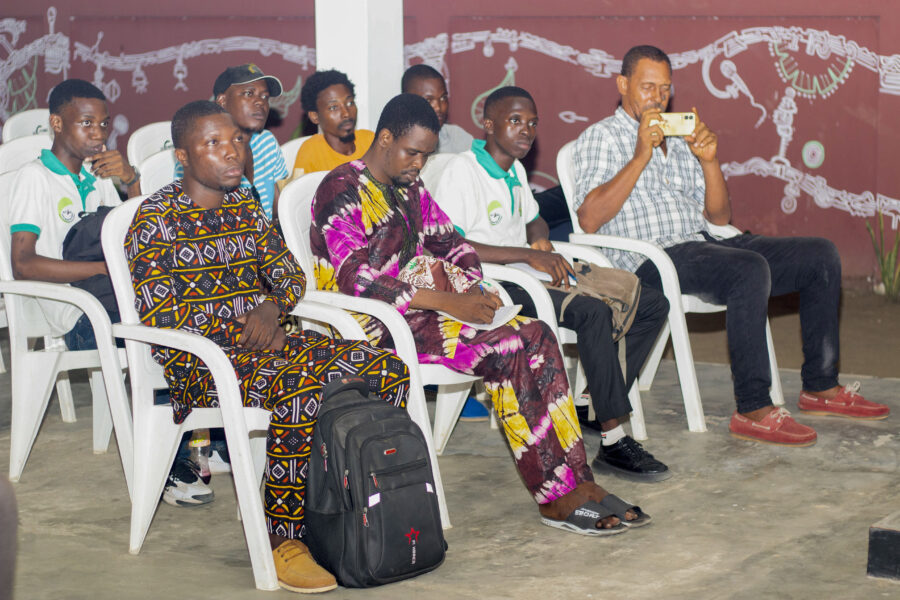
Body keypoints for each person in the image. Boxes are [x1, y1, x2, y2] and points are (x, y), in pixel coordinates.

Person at [311, 93, 652, 536]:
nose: (419, 164)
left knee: (538, 334)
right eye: (412, 153)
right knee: (508, 347)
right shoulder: (341, 189)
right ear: (385, 138)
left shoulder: (409, 186)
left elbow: (452, 243)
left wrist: (475, 288)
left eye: (426, 155)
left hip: (425, 313)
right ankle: (552, 495)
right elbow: (356, 279)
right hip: (374, 324)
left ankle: (578, 481)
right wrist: (451, 302)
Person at [125, 100, 411, 593]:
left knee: (386, 367)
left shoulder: (244, 208)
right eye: (213, 143)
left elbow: (289, 275)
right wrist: (247, 328)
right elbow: (163, 318)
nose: (232, 152)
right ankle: (285, 536)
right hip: (200, 365)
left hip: (270, 342)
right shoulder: (155, 221)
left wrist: (272, 310)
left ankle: (357, 502)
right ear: (182, 156)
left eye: (236, 140)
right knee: (301, 386)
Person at [572, 45, 889, 447]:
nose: (657, 98)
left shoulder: (677, 135)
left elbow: (719, 218)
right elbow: (588, 218)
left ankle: (820, 386)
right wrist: (640, 156)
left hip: (705, 242)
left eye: (665, 89)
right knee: (748, 268)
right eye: (647, 87)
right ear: (622, 85)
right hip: (652, 259)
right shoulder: (601, 137)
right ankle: (754, 408)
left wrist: (708, 160)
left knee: (819, 256)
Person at [433, 86, 671, 482]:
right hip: (490, 285)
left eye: (532, 123)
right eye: (515, 121)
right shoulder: (464, 170)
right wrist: (528, 255)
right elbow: (453, 246)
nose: (526, 130)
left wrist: (539, 236)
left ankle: (594, 402)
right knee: (593, 312)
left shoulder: (515, 169)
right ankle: (613, 440)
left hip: (528, 272)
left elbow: (533, 216)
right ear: (488, 125)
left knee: (650, 303)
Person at [174, 63, 289, 221]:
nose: (260, 102)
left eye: (265, 97)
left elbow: (278, 209)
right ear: (222, 100)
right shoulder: (203, 153)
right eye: (249, 93)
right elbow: (190, 216)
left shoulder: (266, 142)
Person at [292, 69, 374, 174]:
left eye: (349, 103)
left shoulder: (369, 140)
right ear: (315, 116)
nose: (346, 113)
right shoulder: (311, 153)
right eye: (333, 107)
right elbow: (299, 189)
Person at [401, 64, 473, 154]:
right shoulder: (395, 146)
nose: (439, 107)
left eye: (443, 98)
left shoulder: (456, 137)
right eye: (428, 100)